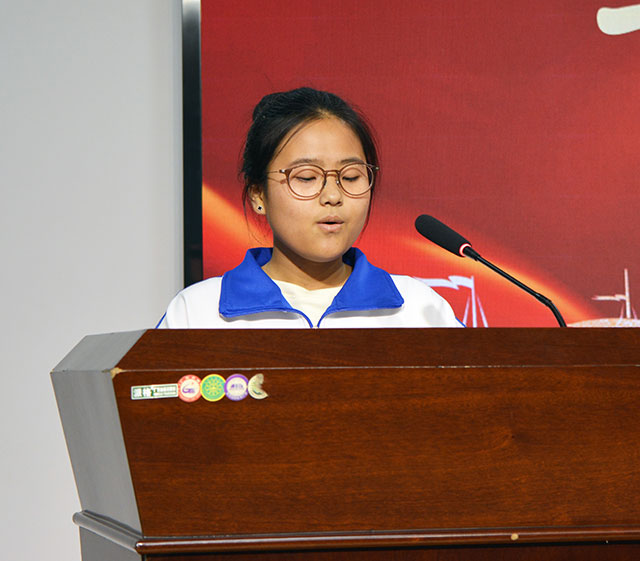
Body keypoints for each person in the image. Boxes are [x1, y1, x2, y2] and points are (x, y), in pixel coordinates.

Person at [158, 87, 461, 328]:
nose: (333, 195)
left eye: (351, 177)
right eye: (306, 177)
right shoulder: (198, 312)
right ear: (258, 195)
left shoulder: (420, 309)